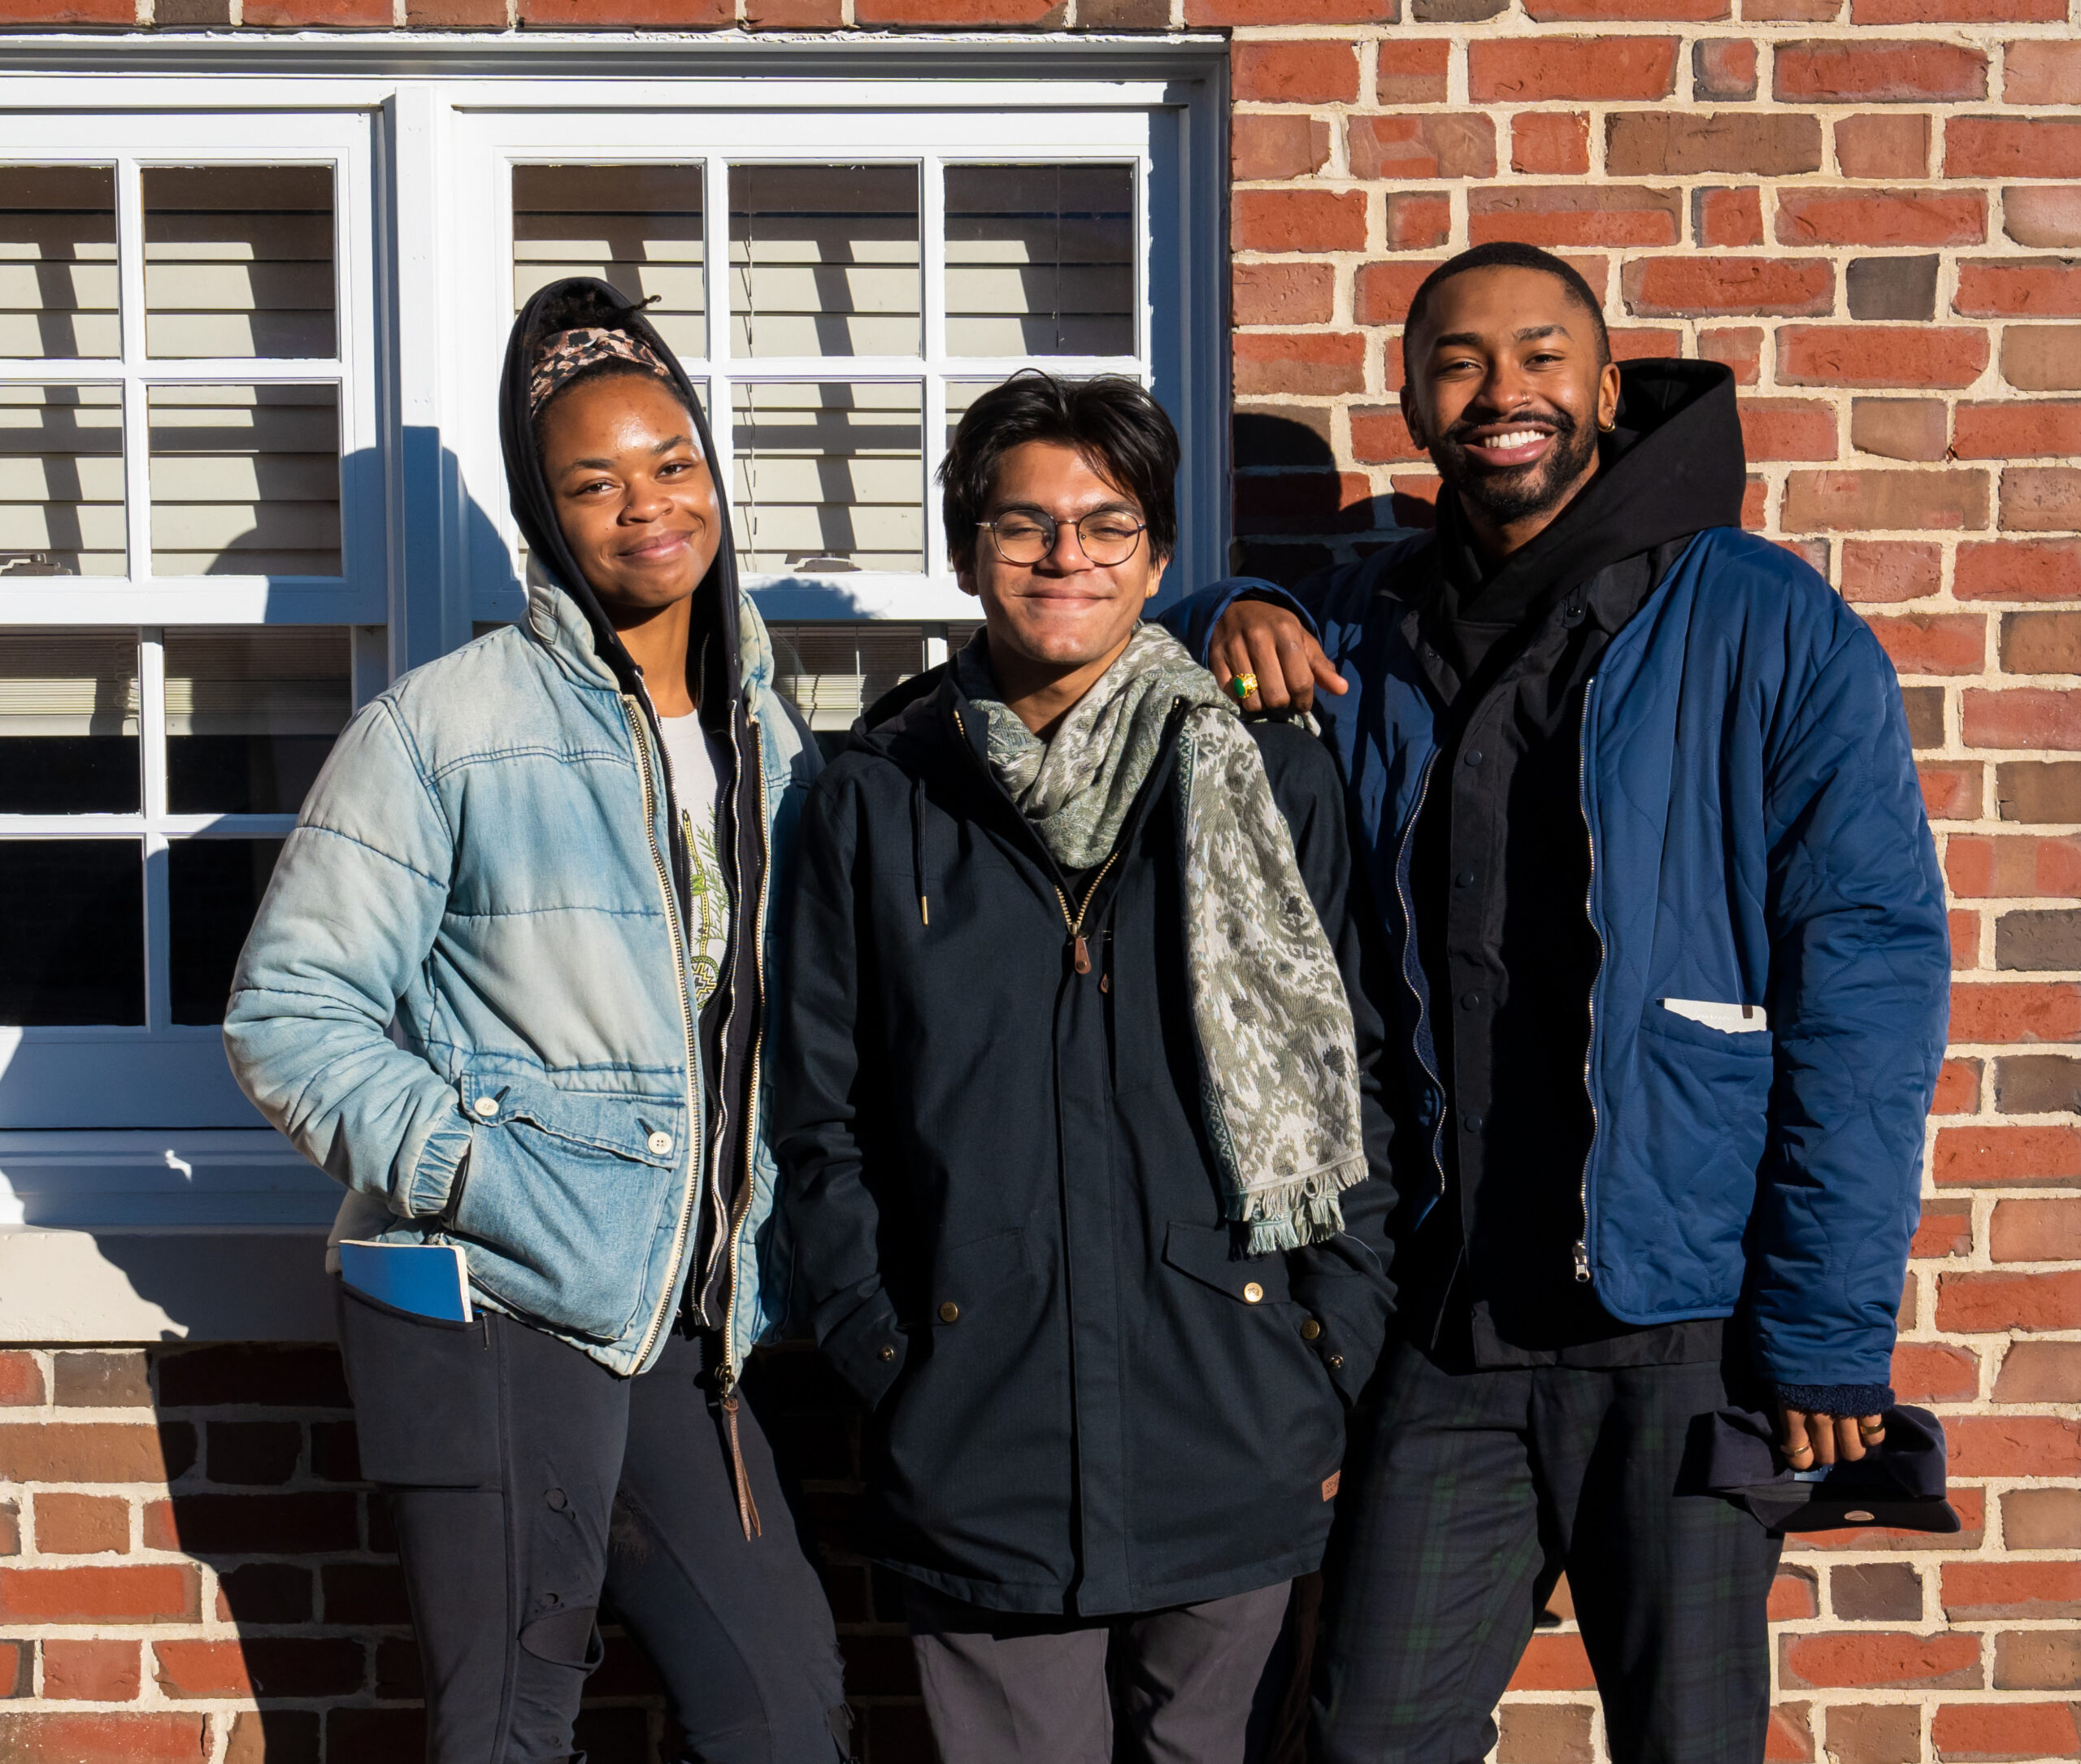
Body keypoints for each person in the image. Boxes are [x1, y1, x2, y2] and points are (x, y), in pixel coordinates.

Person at [1166, 241, 1949, 1764]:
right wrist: (1227, 608)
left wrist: (1828, 1332)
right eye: (1459, 363)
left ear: (1605, 383)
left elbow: (1868, 993)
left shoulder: (1765, 622)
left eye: (1538, 355)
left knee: (1690, 1740)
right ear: (1412, 403)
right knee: (1366, 1735)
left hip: (1684, 1322)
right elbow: (1150, 624)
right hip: (1450, 1325)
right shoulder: (1373, 620)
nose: (1501, 391)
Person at [223, 278, 853, 1764]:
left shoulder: (771, 738)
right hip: (489, 1298)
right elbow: (290, 1011)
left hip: (682, 1320)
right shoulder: (439, 728)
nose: (647, 504)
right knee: (508, 1724)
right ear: (543, 516)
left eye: (672, 460)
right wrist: (483, 1177)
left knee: (784, 1708)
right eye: (595, 479)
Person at [775, 371, 1397, 1764]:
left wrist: (1328, 1346)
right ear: (966, 550)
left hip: (1233, 1402)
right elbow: (822, 1113)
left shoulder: (1261, 780)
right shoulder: (879, 797)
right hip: (975, 1421)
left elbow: (1347, 1077)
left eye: (1107, 526)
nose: (1067, 557)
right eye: (1024, 524)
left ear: (1160, 558)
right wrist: (890, 1351)